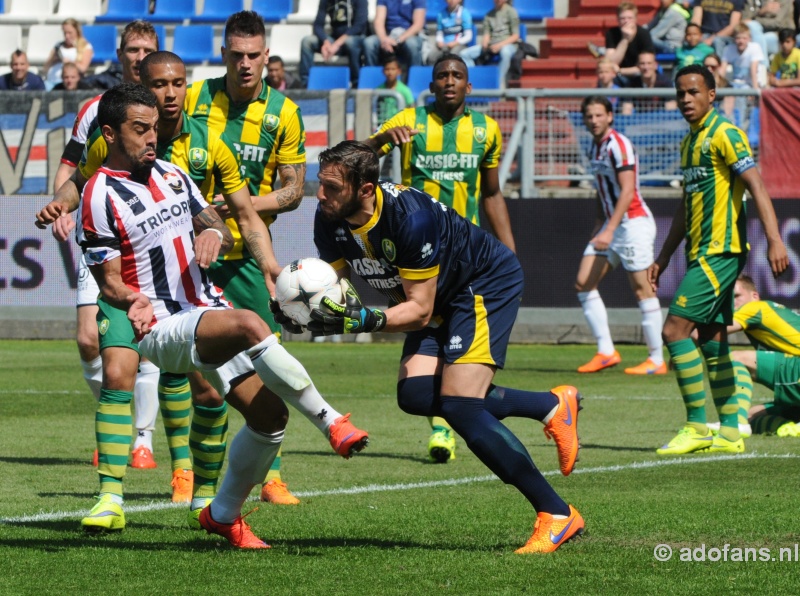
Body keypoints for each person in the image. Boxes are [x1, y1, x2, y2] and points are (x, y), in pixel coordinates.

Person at [74, 83, 363, 549]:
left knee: (270, 419)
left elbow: (213, 223)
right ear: (110, 133)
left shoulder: (172, 174)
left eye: (155, 128)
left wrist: (214, 236)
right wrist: (132, 299)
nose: (152, 137)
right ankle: (332, 421)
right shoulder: (98, 195)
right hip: (161, 325)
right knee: (251, 323)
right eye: (139, 129)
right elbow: (107, 280)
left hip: (202, 308)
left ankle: (223, 515)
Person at [309, 140, 584, 553]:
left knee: (459, 406)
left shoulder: (410, 218)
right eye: (321, 184)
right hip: (433, 296)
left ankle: (557, 513)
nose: (320, 195)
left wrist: (362, 319)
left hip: (480, 285)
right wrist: (304, 307)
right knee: (416, 394)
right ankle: (548, 405)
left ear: (365, 189)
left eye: (331, 187)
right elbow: (336, 287)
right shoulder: (328, 218)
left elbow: (418, 312)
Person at [185, 10, 367, 505]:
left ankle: (273, 477)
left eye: (254, 56)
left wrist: (240, 203)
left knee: (266, 362)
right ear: (223, 55)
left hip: (247, 256)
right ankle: (197, 479)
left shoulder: (284, 112)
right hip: (191, 254)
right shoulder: (194, 100)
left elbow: (291, 191)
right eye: (236, 55)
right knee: (204, 380)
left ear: (267, 56)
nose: (245, 64)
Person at [364, 55, 515, 461]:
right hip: (420, 258)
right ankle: (448, 421)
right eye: (442, 76)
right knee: (422, 361)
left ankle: (446, 425)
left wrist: (510, 251)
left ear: (469, 86)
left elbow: (491, 193)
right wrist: (380, 141)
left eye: (457, 76)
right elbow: (354, 159)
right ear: (431, 86)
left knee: (450, 354)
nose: (449, 81)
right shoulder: (408, 121)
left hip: (470, 261)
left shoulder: (487, 130)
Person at [649, 64, 788, 456]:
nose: (686, 99)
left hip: (720, 252)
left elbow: (756, 185)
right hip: (699, 252)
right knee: (711, 343)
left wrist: (775, 240)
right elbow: (684, 206)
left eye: (694, 92)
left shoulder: (726, 134)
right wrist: (663, 255)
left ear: (712, 94)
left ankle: (696, 426)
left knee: (674, 331)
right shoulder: (689, 143)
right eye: (681, 93)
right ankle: (729, 431)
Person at [44, 21, 163, 475]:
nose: (137, 56)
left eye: (146, 49)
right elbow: (69, 166)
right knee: (87, 337)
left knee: (146, 339)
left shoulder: (165, 110)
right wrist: (63, 205)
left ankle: (141, 440)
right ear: (118, 55)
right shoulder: (95, 109)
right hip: (102, 231)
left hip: (149, 237)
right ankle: (115, 417)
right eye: (131, 49)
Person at [574, 96, 665, 376]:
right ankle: (606, 351)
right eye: (589, 116)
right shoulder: (595, 146)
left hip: (633, 223)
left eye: (599, 115)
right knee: (583, 283)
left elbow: (627, 192)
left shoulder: (619, 144)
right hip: (612, 224)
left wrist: (610, 229)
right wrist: (599, 227)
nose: (594, 120)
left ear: (610, 116)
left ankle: (657, 359)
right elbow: (603, 193)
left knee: (642, 289)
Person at [723, 275, 800, 437]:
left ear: (754, 296)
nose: (732, 302)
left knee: (734, 358)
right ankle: (789, 426)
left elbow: (713, 332)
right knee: (751, 415)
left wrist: (681, 344)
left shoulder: (754, 308)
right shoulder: (773, 311)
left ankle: (736, 422)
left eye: (736, 296)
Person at [299, 0, 368, 89]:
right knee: (307, 41)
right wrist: (325, 41)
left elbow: (359, 25)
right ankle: (306, 84)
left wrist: (337, 44)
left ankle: (357, 83)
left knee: (350, 42)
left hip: (356, 39)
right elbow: (318, 25)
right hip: (334, 39)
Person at [588, 3, 655, 85]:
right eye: (622, 18)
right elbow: (610, 63)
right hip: (617, 76)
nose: (626, 21)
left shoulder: (644, 34)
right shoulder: (611, 33)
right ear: (618, 19)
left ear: (635, 19)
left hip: (638, 74)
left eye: (630, 18)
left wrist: (620, 71)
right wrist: (625, 40)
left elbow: (646, 65)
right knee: (605, 76)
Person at [460, 0, 520, 88]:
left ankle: (498, 81)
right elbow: (487, 34)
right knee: (464, 54)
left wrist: (500, 45)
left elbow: (515, 36)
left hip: (508, 44)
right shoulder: (489, 15)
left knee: (505, 52)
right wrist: (485, 42)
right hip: (492, 44)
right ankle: (473, 79)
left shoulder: (511, 12)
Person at [363, 0, 427, 72]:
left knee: (412, 44)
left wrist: (398, 40)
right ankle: (372, 77)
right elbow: (378, 21)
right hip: (388, 35)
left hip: (409, 35)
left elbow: (418, 24)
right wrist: (384, 39)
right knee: (369, 42)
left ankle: (415, 78)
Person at [42, 18, 94, 90]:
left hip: (67, 84)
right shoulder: (58, 46)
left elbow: (83, 68)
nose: (67, 36)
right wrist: (54, 59)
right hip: (51, 81)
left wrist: (69, 62)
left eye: (70, 33)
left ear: (77, 32)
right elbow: (45, 68)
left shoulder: (85, 47)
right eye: (65, 33)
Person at [427, 0, 473, 65]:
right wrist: (440, 41)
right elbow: (439, 33)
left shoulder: (464, 13)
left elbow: (468, 36)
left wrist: (456, 43)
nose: (451, 0)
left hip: (459, 45)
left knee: (453, 56)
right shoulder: (441, 14)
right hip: (444, 45)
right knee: (432, 57)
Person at [376, 56, 414, 124]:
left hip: (399, 126)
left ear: (399, 71)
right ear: (383, 71)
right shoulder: (379, 89)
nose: (390, 72)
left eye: (393, 69)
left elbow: (412, 109)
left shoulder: (405, 90)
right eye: (387, 69)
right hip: (382, 126)